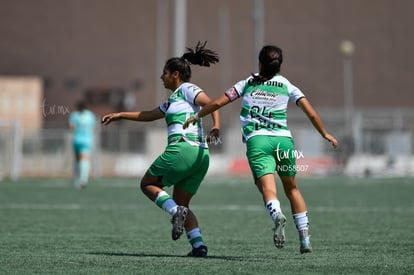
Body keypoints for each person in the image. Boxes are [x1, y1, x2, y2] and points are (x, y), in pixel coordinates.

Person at [184, 45, 338, 254]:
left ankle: (276, 216)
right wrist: (324, 134)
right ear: (279, 65)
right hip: (284, 141)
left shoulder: (247, 83)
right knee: (292, 189)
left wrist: (197, 116)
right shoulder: (287, 85)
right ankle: (305, 239)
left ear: (259, 63)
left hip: (258, 142)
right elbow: (310, 113)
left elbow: (218, 102)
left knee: (268, 189)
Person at [101, 41, 220, 257]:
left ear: (175, 74)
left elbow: (211, 103)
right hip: (200, 158)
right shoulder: (172, 100)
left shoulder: (186, 88)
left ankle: (175, 212)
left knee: (147, 184)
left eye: (164, 73)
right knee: (182, 203)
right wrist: (119, 115)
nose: (161, 77)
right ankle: (198, 246)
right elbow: (148, 115)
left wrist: (217, 126)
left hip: (183, 150)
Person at [69, 101, 96, 189]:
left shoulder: (75, 115)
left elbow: (71, 128)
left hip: (77, 140)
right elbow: (93, 128)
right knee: (85, 160)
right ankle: (84, 179)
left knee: (77, 160)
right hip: (87, 140)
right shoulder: (90, 115)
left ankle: (77, 181)